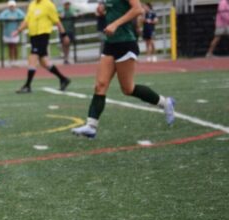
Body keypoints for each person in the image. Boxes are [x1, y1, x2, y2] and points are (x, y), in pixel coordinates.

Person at [71, 0, 176, 139]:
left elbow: (138, 9)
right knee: (100, 85)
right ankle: (91, 126)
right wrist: (102, 10)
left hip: (126, 42)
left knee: (128, 89)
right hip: (110, 43)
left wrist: (115, 24)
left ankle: (165, 102)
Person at [11, 0, 71, 93]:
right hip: (34, 36)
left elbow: (56, 20)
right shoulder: (32, 4)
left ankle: (27, 85)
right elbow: (27, 20)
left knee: (33, 56)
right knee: (44, 62)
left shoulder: (48, 4)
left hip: (43, 35)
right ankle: (63, 79)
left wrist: (64, 34)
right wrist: (18, 30)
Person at [0, 0, 26, 67]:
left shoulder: (18, 11)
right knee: (10, 47)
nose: (12, 7)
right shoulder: (6, 12)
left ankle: (15, 60)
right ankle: (11, 60)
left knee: (15, 46)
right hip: (7, 32)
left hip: (15, 32)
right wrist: (8, 18)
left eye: (13, 6)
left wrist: (16, 18)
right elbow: (0, 17)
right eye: (10, 6)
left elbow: (23, 16)